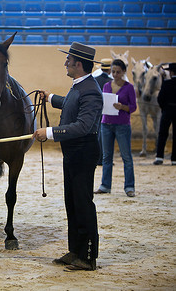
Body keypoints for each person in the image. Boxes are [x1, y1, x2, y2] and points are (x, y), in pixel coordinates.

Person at [33, 42, 103, 271]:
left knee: (83, 203)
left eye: (69, 60)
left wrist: (49, 133)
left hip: (83, 152)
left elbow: (83, 126)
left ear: (79, 64)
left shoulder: (91, 90)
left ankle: (88, 257)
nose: (66, 63)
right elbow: (71, 104)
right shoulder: (80, 86)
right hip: (73, 153)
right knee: (72, 203)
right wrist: (51, 97)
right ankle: (75, 251)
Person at [95, 59, 137, 197]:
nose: (115, 74)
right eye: (113, 71)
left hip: (122, 125)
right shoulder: (106, 86)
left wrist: (122, 107)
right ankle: (105, 185)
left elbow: (133, 107)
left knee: (126, 157)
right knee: (107, 157)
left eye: (118, 72)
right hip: (106, 123)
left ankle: (129, 186)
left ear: (124, 72)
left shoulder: (129, 87)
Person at [153, 63, 176, 166]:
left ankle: (159, 156)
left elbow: (160, 98)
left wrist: (164, 108)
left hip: (167, 110)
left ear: (171, 72)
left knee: (162, 134)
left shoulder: (167, 83)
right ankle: (174, 159)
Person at [94, 58, 113, 165]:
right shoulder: (111, 82)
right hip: (107, 112)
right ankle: (103, 158)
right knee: (105, 136)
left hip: (94, 110)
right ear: (110, 70)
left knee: (96, 134)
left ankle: (97, 157)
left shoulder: (94, 79)